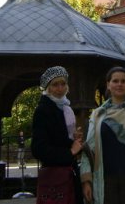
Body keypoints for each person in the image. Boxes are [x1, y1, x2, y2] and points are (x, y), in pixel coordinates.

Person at [80, 66, 125, 204]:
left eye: (124, 81)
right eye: (115, 81)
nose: (119, 84)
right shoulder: (97, 114)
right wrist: (86, 180)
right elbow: (89, 149)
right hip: (105, 179)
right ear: (108, 84)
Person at [31, 66, 83, 204]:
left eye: (63, 84)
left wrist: (74, 140)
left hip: (69, 174)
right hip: (55, 178)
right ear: (48, 87)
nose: (60, 88)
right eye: (55, 84)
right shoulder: (43, 111)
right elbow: (38, 149)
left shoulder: (66, 109)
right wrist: (70, 151)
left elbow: (62, 139)